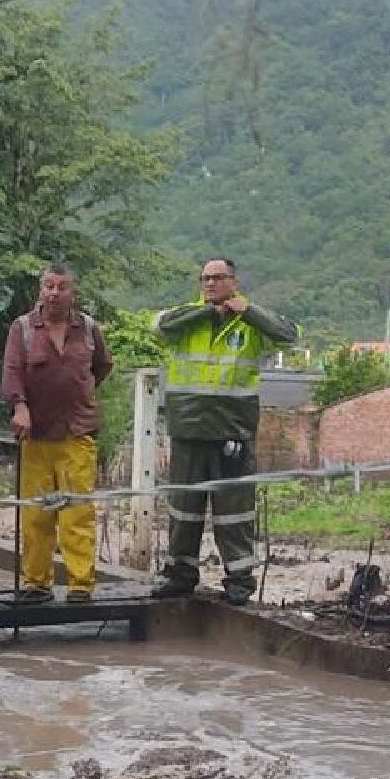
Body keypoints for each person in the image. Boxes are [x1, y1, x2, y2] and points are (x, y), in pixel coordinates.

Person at [153, 257, 297, 605]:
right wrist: (208, 312)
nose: (210, 284)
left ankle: (239, 580)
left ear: (234, 281)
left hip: (233, 432)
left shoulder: (251, 326)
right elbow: (160, 328)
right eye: (205, 278)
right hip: (188, 429)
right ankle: (179, 574)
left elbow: (288, 334)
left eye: (218, 278)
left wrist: (245, 310)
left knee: (235, 511)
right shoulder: (187, 318)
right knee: (184, 509)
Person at [1, 263, 113, 604]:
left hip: (77, 432)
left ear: (72, 293)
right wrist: (20, 407)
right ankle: (37, 583)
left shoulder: (89, 329)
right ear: (40, 290)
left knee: (77, 512)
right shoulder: (22, 329)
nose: (53, 292)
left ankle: (81, 584)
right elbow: (12, 371)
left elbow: (103, 366)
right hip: (35, 435)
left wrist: (79, 393)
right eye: (48, 286)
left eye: (61, 286)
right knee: (36, 514)